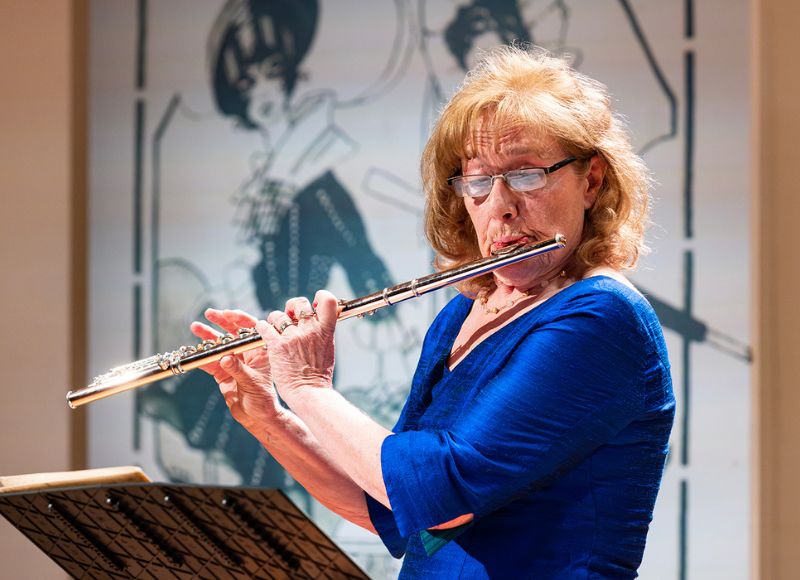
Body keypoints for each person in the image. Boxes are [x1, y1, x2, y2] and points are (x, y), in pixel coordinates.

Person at [192, 45, 675, 578]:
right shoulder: (464, 314)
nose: (501, 206)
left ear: (592, 180)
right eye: (478, 181)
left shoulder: (600, 319)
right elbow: (392, 510)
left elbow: (442, 490)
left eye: (527, 175)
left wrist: (308, 386)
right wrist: (272, 416)